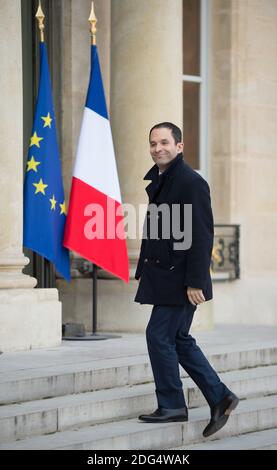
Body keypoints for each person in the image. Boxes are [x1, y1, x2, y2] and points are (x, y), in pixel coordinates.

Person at [134, 122, 239, 437]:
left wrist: (195, 281)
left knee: (158, 335)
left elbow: (202, 234)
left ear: (179, 146)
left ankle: (172, 405)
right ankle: (219, 396)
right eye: (153, 143)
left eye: (164, 142)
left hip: (180, 279)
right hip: (167, 276)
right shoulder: (164, 179)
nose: (157, 148)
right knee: (177, 339)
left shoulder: (191, 181)